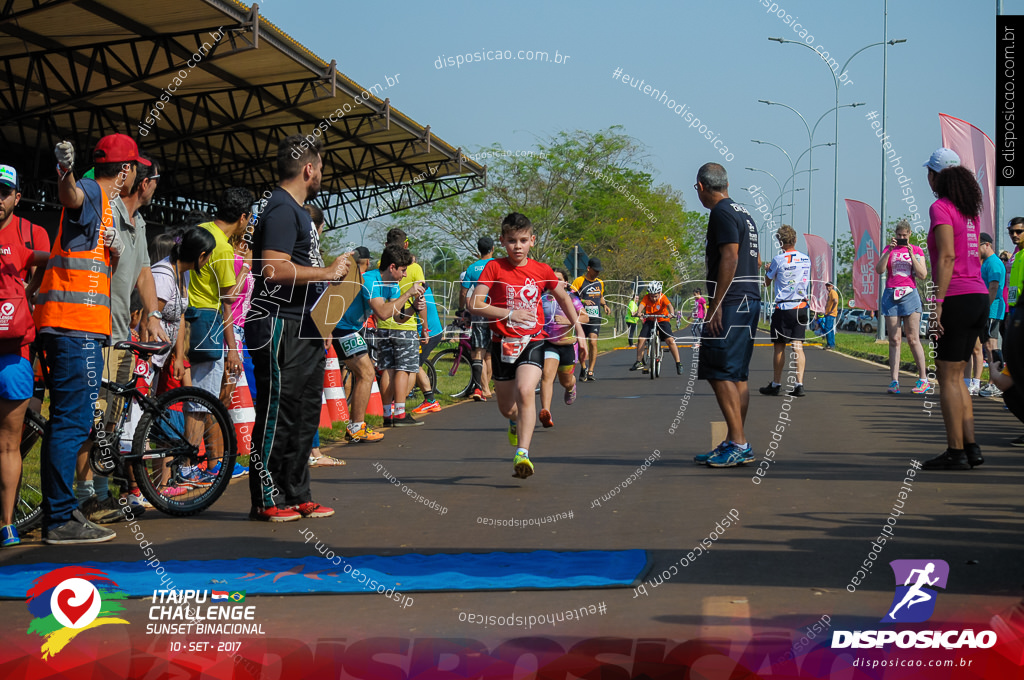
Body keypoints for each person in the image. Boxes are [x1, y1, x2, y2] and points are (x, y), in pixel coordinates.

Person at [36, 134, 140, 543]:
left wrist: (112, 251)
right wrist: (65, 171)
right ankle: (60, 517)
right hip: (73, 327)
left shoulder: (108, 207)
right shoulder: (97, 191)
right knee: (72, 421)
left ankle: (62, 513)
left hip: (71, 326)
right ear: (126, 170)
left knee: (68, 420)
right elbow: (72, 197)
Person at [245, 134, 349, 522]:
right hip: (277, 325)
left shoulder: (299, 213)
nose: (322, 174)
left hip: (305, 325)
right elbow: (272, 268)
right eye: (320, 167)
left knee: (305, 412)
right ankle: (265, 498)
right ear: (308, 169)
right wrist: (325, 271)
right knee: (277, 412)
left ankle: (297, 492)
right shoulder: (280, 210)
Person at [470, 212, 586, 479]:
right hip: (502, 343)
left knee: (525, 391)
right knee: (506, 408)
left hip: (532, 341)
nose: (517, 246)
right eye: (511, 241)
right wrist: (509, 314)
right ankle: (514, 421)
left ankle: (522, 453)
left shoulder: (542, 270)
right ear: (502, 241)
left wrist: (578, 329)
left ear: (532, 240)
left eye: (523, 240)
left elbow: (565, 298)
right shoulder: (494, 268)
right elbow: (474, 303)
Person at [919, 148, 989, 471]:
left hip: (957, 297)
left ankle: (955, 451)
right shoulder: (970, 212)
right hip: (978, 296)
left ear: (936, 176)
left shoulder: (941, 208)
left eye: (929, 174)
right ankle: (970, 447)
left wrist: (937, 306)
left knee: (947, 376)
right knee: (958, 376)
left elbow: (946, 257)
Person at [691, 163, 762, 468]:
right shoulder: (743, 212)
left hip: (732, 302)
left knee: (718, 370)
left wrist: (716, 304)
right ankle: (736, 441)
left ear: (701, 187)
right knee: (738, 375)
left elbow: (731, 254)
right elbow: (755, 259)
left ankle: (739, 443)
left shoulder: (721, 212)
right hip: (749, 299)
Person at [182, 187, 253, 485]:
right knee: (203, 400)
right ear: (242, 217)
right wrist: (233, 350)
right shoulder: (222, 248)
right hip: (209, 323)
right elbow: (228, 304)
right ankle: (187, 466)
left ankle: (187, 463)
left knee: (193, 398)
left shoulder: (199, 231)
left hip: (187, 318)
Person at [0, 193, 48, 546]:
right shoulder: (22, 237)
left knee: (8, 445)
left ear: (16, 197)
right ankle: (7, 525)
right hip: (14, 354)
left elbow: (49, 260)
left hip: (14, 354)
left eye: (3, 192)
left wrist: (31, 290)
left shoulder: (26, 238)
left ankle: (6, 523)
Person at [372, 228, 426, 427]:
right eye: (402, 271)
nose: (404, 275)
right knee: (404, 369)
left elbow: (398, 313)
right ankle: (400, 412)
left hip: (384, 326)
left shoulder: (385, 274)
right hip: (403, 329)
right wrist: (424, 325)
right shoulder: (410, 268)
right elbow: (387, 311)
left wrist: (412, 307)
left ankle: (388, 413)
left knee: (388, 368)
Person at [874, 219, 929, 394]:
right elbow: (879, 270)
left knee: (913, 338)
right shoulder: (888, 249)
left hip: (909, 294)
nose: (902, 238)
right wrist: (889, 251)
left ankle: (923, 379)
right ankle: (894, 381)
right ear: (895, 235)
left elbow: (922, 275)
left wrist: (911, 254)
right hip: (891, 294)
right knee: (894, 340)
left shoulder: (918, 250)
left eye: (904, 235)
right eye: (899, 235)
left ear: (909, 235)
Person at [759, 225, 811, 397]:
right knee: (798, 346)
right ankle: (799, 384)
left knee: (779, 347)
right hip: (801, 307)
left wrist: (768, 270)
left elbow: (766, 283)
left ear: (780, 242)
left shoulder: (778, 260)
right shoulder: (805, 259)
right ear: (795, 240)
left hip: (784, 307)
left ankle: (776, 383)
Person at [538, 268, 587, 428]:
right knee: (547, 376)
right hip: (549, 344)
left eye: (559, 279)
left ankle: (571, 386)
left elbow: (585, 317)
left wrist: (568, 321)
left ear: (565, 283)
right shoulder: (543, 298)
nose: (556, 282)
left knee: (565, 381)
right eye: (552, 278)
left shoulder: (572, 299)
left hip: (567, 345)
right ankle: (546, 411)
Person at [0, 165, 50, 283]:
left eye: (5, 193)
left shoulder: (34, 234)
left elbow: (41, 290)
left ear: (17, 199)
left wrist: (22, 289)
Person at [460, 236, 495, 401]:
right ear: (493, 249)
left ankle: (482, 388)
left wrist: (463, 310)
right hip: (496, 311)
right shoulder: (498, 265)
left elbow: (463, 292)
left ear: (478, 250)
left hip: (479, 310)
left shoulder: (472, 268)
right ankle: (486, 387)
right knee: (489, 353)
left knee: (478, 351)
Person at [630, 281, 683, 374]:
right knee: (641, 339)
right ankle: (638, 362)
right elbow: (642, 305)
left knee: (670, 340)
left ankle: (678, 363)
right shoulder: (646, 298)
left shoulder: (663, 297)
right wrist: (638, 312)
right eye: (651, 296)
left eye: (655, 296)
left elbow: (669, 306)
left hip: (663, 320)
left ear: (659, 293)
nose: (653, 298)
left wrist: (671, 313)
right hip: (650, 320)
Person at [571, 258, 610, 381]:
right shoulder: (579, 281)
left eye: (599, 271)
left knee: (593, 342)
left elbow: (601, 296)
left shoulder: (600, 283)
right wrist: (583, 301)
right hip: (582, 317)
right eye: (595, 270)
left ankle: (591, 371)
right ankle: (583, 367)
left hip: (595, 317)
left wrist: (605, 305)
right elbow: (571, 296)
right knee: (582, 345)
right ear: (588, 268)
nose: (597, 273)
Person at [822, 282, 840, 350]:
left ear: (832, 286)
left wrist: (832, 310)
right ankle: (832, 344)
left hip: (831, 314)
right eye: (827, 286)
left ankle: (830, 344)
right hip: (828, 313)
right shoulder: (830, 293)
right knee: (830, 329)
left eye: (829, 286)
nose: (828, 287)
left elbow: (835, 301)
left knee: (827, 328)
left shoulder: (833, 292)